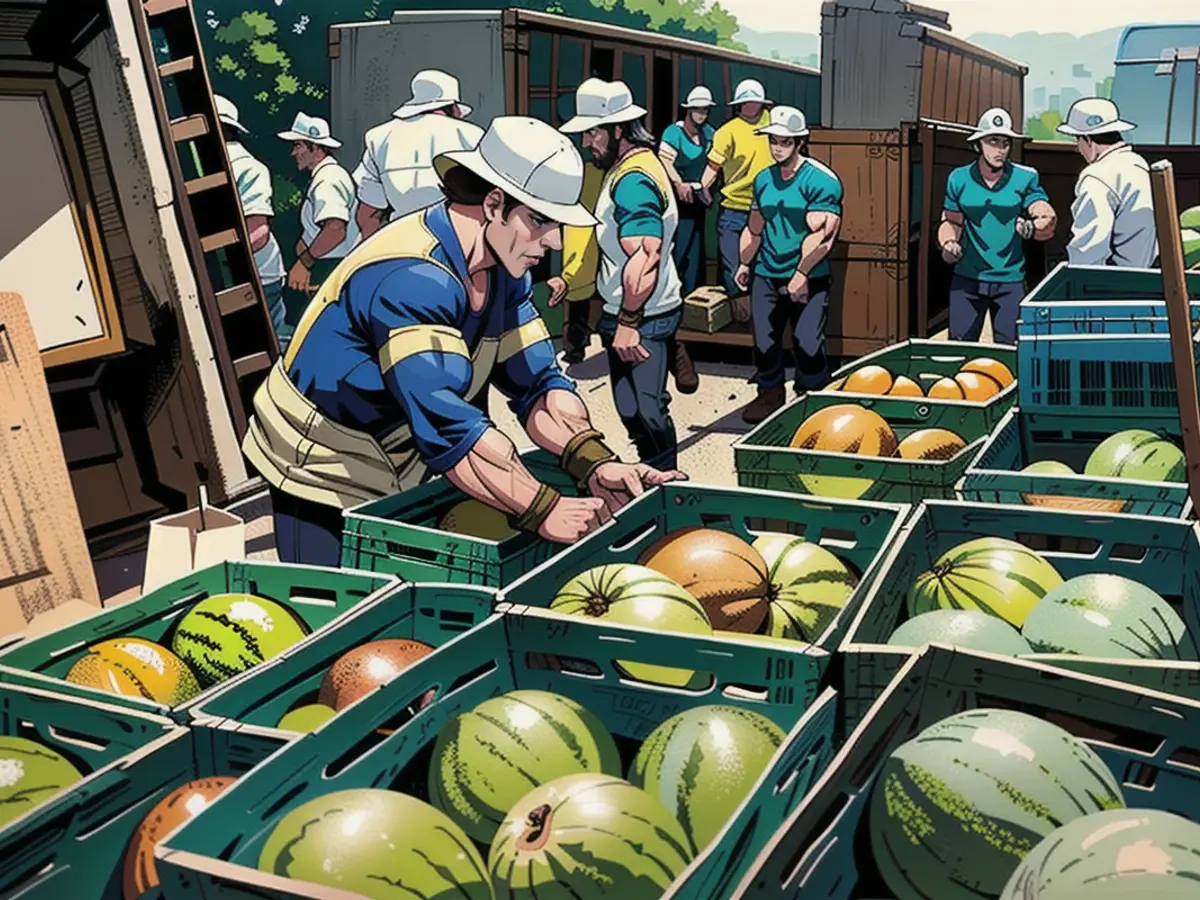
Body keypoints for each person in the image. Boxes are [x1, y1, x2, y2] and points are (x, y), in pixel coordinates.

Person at [242, 116, 685, 567]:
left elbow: (537, 384)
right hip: (323, 456)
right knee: (333, 596)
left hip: (404, 443)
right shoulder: (413, 277)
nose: (552, 241)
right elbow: (449, 426)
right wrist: (544, 508)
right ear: (493, 204)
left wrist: (593, 461)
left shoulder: (504, 268)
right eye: (539, 220)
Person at [558, 79, 685, 472]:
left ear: (618, 130)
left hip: (642, 314)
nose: (586, 143)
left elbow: (647, 254)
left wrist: (630, 321)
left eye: (592, 132)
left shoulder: (633, 181)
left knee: (647, 408)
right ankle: (652, 471)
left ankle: (668, 480)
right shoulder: (627, 169)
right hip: (622, 309)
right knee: (629, 407)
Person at [734, 107, 843, 424]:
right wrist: (744, 262)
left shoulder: (822, 181)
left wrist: (801, 273)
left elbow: (823, 236)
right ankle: (770, 395)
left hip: (809, 277)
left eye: (784, 142)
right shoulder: (763, 180)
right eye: (773, 141)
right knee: (765, 341)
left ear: (800, 142)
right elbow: (755, 226)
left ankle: (813, 400)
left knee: (808, 343)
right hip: (766, 273)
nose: (777, 148)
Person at [938, 108, 1057, 345]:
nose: (1000, 149)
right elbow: (951, 221)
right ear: (978, 144)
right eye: (993, 141)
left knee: (1011, 351)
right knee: (960, 348)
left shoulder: (1025, 177)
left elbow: (1045, 215)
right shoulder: (958, 179)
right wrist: (949, 243)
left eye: (1005, 143)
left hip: (1010, 279)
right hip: (968, 278)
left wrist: (1032, 226)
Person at [353, 70, 484, 240]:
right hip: (458, 237)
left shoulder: (378, 137)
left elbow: (369, 214)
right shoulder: (472, 135)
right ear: (453, 107)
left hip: (403, 238)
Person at [215, 95, 289, 349]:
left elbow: (258, 233)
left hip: (257, 274)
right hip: (243, 271)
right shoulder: (218, 166)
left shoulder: (248, 168)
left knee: (263, 343)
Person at [277, 112, 360, 331]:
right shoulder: (327, 176)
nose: (293, 153)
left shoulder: (327, 180)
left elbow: (335, 228)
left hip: (327, 267)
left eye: (298, 146)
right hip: (325, 266)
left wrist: (304, 262)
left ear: (316, 148)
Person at [1056, 97, 1157, 268]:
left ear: (1088, 140)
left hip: (1114, 282)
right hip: (1147, 274)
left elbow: (1089, 249)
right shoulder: (1138, 164)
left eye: (1077, 141)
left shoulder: (1097, 176)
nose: (1078, 149)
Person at [700, 79, 774, 298]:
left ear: (762, 104)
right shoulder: (727, 132)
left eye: (754, 102)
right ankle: (738, 311)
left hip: (769, 208)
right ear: (738, 105)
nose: (750, 106)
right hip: (735, 208)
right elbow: (713, 166)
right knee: (733, 270)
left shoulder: (775, 125)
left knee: (766, 267)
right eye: (746, 102)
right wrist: (703, 187)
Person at [659, 86, 717, 298]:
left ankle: (692, 294)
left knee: (696, 248)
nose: (702, 114)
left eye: (705, 110)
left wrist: (707, 186)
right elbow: (665, 160)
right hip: (678, 199)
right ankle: (670, 293)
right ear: (688, 110)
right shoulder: (674, 132)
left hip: (698, 197)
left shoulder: (709, 133)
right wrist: (678, 183)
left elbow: (714, 161)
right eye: (698, 109)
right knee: (680, 245)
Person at [546, 159, 604, 365]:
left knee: (579, 288)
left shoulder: (583, 169)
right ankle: (576, 344)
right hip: (580, 223)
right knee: (579, 286)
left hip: (582, 223)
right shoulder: (588, 169)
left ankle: (576, 345)